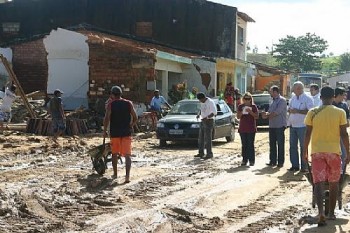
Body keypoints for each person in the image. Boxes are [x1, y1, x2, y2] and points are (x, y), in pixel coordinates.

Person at [303, 86, 350, 226]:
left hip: (317, 152)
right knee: (334, 182)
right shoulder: (340, 112)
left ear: (321, 97)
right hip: (334, 152)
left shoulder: (312, 112)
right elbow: (344, 134)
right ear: (333, 96)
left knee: (318, 182)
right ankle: (331, 213)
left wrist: (305, 151)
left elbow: (307, 133)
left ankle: (321, 213)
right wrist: (348, 152)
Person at [103, 85, 137, 182]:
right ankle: (127, 177)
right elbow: (135, 117)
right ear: (121, 94)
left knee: (114, 154)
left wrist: (104, 130)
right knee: (127, 155)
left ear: (112, 95)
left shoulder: (111, 104)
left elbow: (107, 118)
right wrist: (131, 125)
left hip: (115, 132)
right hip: (126, 132)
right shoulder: (128, 103)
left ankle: (115, 174)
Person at [288, 81, 314, 172]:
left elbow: (311, 112)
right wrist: (290, 110)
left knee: (303, 146)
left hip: (303, 126)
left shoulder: (308, 98)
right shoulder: (293, 98)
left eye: (294, 89)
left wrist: (298, 111)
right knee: (293, 146)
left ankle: (305, 166)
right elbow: (290, 109)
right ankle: (295, 165)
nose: (293, 91)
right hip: (293, 125)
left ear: (299, 89)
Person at [262, 85, 288, 167]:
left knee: (280, 144)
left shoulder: (282, 100)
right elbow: (270, 111)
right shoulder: (271, 100)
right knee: (272, 144)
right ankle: (272, 161)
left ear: (275, 92)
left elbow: (277, 112)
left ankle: (280, 162)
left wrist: (267, 115)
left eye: (271, 91)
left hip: (280, 125)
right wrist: (265, 114)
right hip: (272, 125)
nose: (270, 93)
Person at [236, 92, 259, 166]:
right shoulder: (240, 106)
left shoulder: (253, 106)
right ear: (243, 99)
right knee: (244, 145)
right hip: (242, 128)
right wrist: (243, 112)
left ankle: (251, 160)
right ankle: (244, 160)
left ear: (250, 99)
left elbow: (256, 116)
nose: (247, 100)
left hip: (251, 128)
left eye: (248, 99)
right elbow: (238, 117)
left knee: (250, 144)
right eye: (245, 99)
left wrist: (250, 112)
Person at [194, 92, 217, 160]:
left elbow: (214, 112)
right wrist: (199, 114)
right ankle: (201, 153)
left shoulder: (210, 102)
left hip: (209, 121)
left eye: (200, 100)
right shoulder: (202, 102)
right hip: (202, 121)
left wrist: (207, 118)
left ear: (203, 98)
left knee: (208, 138)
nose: (200, 101)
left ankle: (209, 153)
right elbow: (202, 109)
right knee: (201, 138)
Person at [333, 87, 350, 171]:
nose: (345, 97)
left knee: (343, 153)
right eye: (343, 95)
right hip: (331, 134)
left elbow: (347, 119)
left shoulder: (344, 105)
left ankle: (342, 171)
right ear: (338, 95)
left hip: (342, 133)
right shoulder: (330, 105)